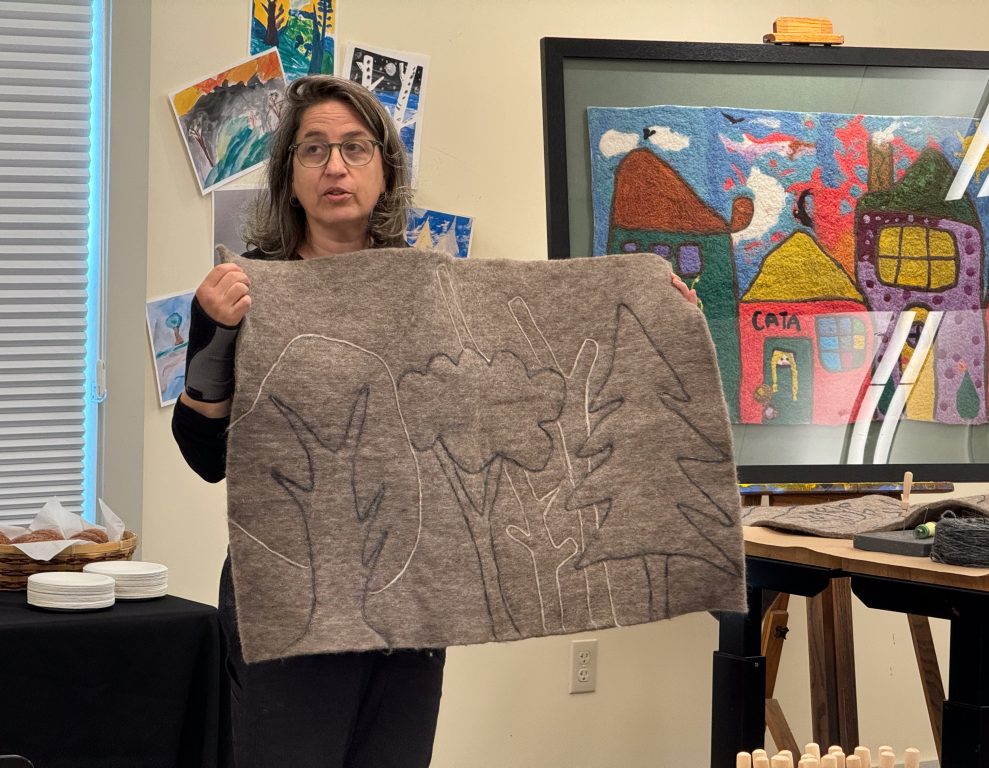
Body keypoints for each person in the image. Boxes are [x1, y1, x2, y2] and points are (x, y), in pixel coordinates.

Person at [172, 75, 699, 767]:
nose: (336, 166)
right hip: (288, 602)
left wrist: (648, 301)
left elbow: (539, 356)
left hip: (412, 600)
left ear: (385, 170)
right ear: (288, 175)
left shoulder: (435, 292)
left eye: (356, 148)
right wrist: (212, 335)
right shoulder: (246, 291)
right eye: (314, 149)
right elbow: (208, 456)